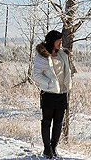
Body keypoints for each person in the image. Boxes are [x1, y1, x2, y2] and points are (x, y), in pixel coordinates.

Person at [32, 29, 72, 159]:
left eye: (61, 40)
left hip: (61, 93)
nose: (60, 43)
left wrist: (67, 84)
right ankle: (47, 149)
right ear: (51, 41)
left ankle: (54, 147)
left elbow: (67, 71)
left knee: (59, 122)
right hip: (48, 93)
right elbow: (36, 75)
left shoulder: (62, 55)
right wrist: (49, 83)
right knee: (47, 121)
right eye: (58, 40)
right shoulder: (42, 56)